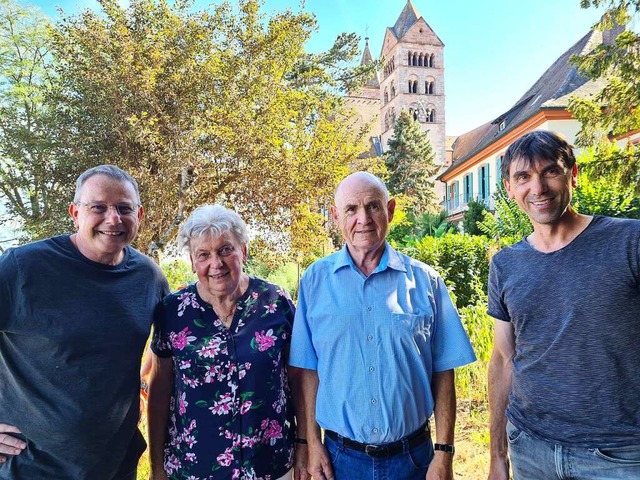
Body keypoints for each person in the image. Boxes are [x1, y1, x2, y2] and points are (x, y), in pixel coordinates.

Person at [289, 172, 476, 480]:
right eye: (351, 209)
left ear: (389, 210)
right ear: (336, 216)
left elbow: (444, 372)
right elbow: (307, 372)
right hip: (340, 462)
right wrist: (312, 442)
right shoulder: (314, 281)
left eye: (373, 206)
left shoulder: (425, 281)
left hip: (415, 461)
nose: (363, 218)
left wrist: (444, 453)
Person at [486, 131, 640, 480]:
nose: (537, 188)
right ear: (509, 189)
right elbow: (503, 359)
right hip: (530, 451)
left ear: (573, 174)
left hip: (619, 455)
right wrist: (498, 457)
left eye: (550, 171)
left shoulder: (630, 242)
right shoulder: (505, 264)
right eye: (523, 177)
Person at [0, 164, 170, 479]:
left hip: (116, 467)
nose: (113, 218)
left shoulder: (149, 278)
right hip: (31, 468)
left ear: (140, 215)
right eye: (98, 207)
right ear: (75, 213)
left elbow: (162, 355)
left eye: (124, 208)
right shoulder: (21, 269)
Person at [147, 204, 304, 480]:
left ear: (243, 251)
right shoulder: (173, 311)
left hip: (271, 465)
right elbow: (160, 390)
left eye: (225, 250)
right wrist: (157, 466)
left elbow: (298, 379)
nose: (215, 264)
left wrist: (304, 445)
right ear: (193, 261)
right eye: (203, 255)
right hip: (194, 468)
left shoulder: (275, 302)